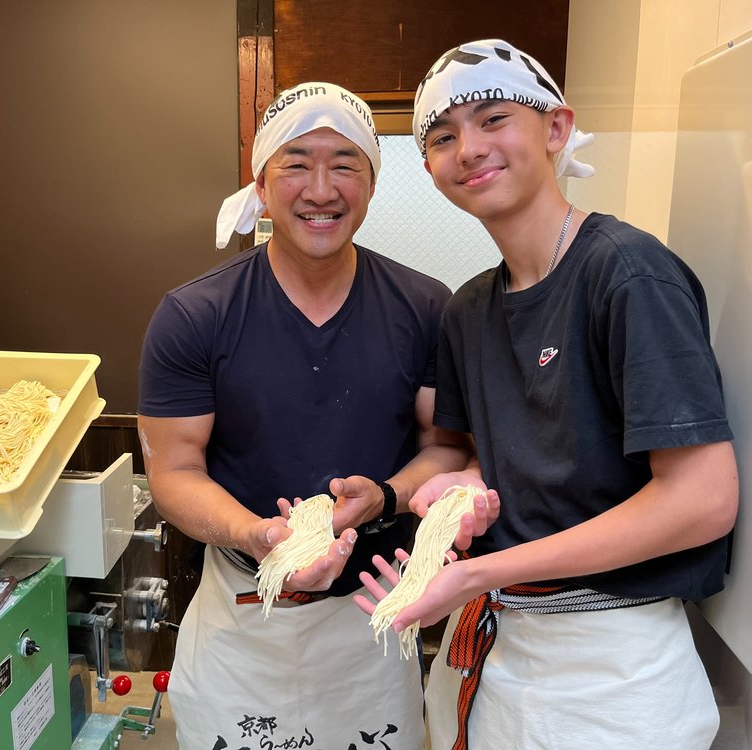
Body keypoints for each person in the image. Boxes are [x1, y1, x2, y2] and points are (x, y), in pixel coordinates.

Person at [355, 39, 739, 750]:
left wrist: (480, 571)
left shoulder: (625, 276)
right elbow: (489, 463)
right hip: (501, 651)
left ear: (556, 129)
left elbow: (702, 500)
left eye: (493, 118)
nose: (467, 148)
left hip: (615, 668)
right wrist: (459, 496)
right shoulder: (470, 310)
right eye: (441, 137)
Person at [138, 81, 496, 749]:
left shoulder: (423, 308)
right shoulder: (197, 316)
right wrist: (259, 538)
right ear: (263, 180)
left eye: (346, 165)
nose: (321, 189)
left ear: (372, 181)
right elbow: (175, 472)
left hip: (370, 618)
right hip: (241, 619)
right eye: (297, 163)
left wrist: (385, 496)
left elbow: (447, 449)